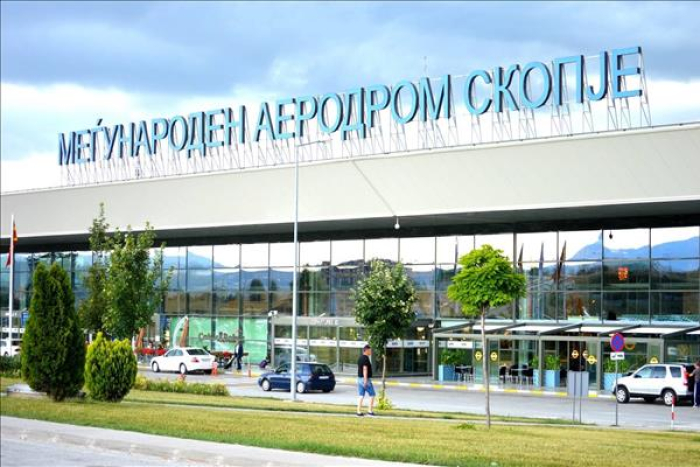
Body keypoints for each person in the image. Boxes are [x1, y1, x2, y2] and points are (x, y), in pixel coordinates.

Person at [356, 344, 376, 417]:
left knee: (361, 395)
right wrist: (365, 380)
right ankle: (370, 411)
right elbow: (365, 369)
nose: (371, 352)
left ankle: (358, 412)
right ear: (366, 350)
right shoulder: (365, 358)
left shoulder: (360, 358)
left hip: (359, 379)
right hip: (365, 379)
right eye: (370, 350)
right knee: (372, 394)